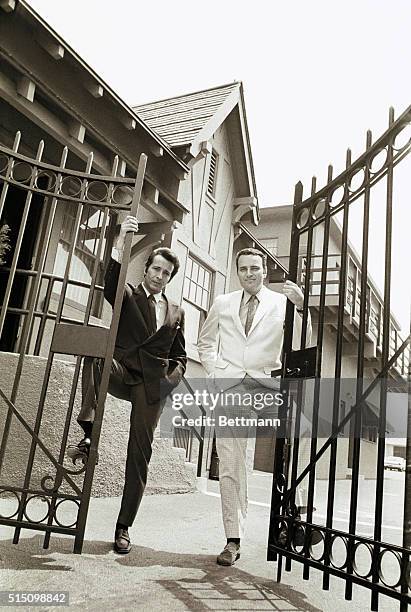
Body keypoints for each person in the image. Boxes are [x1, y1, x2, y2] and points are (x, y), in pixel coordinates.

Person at [70, 215, 186, 554]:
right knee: (95, 357)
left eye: (166, 273)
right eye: (155, 269)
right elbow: (110, 281)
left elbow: (181, 356)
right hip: (121, 370)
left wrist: (168, 383)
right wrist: (122, 240)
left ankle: (123, 528)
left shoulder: (177, 313)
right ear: (147, 268)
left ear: (169, 278)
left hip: (152, 385)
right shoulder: (129, 295)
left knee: (139, 456)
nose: (159, 276)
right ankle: (89, 431)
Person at [197, 247, 311, 566]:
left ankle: (293, 516)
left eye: (255, 267)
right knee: (232, 464)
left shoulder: (281, 302)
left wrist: (301, 308)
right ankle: (233, 539)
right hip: (231, 385)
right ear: (237, 271)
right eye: (243, 268)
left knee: (295, 440)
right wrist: (214, 370)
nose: (249, 273)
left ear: (265, 271)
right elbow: (205, 342)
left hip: (268, 384)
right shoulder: (223, 304)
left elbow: (303, 341)